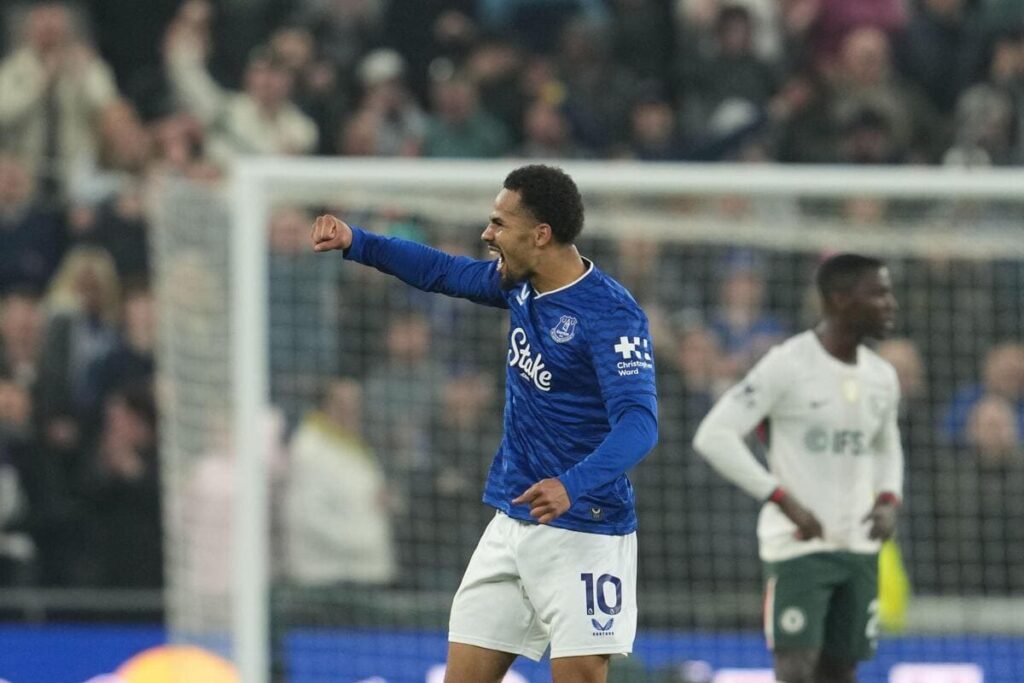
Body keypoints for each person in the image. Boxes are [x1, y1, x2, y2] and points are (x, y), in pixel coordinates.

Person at [310, 164, 658, 683]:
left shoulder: (611, 314)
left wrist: (571, 484)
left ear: (539, 235)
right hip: (512, 518)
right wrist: (356, 241)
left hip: (585, 527)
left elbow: (640, 424)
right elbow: (443, 271)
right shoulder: (518, 285)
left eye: (498, 224)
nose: (486, 235)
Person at [693, 253, 903, 683]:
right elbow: (714, 436)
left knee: (842, 671)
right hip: (798, 547)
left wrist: (887, 499)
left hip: (859, 547)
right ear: (841, 300)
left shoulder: (882, 376)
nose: (890, 303)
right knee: (795, 669)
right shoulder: (787, 364)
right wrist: (782, 499)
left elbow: (887, 445)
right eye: (878, 293)